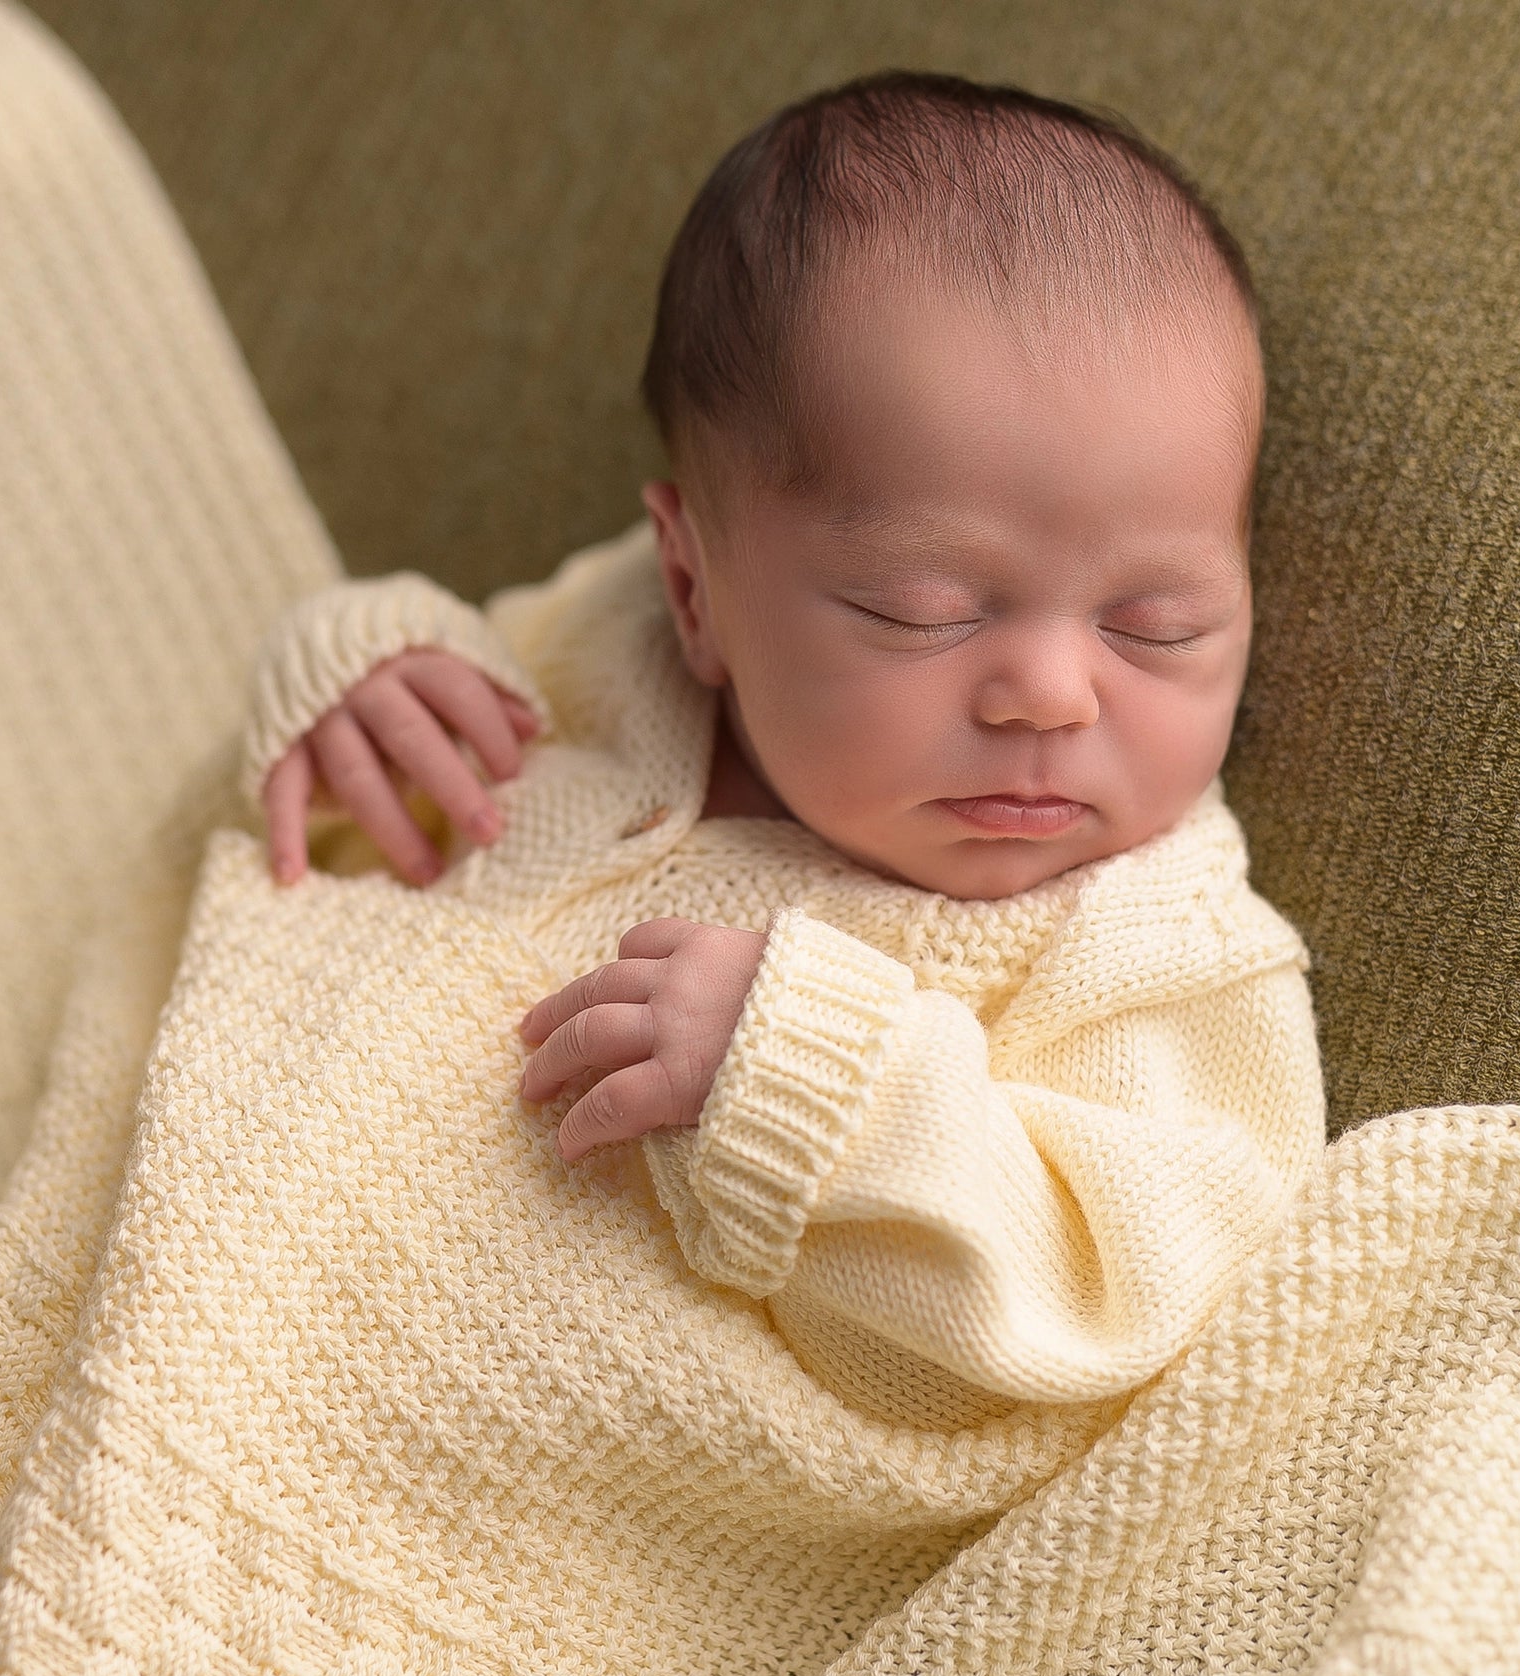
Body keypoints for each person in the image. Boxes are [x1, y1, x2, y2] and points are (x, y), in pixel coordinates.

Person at [238, 69, 1324, 1429]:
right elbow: (365, 828)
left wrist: (813, 1081)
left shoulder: (1150, 935)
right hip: (282, 1249)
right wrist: (370, 676)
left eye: (1157, 627)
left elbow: (1137, 1286)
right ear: (697, 592)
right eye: (918, 612)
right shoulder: (613, 642)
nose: (1050, 694)